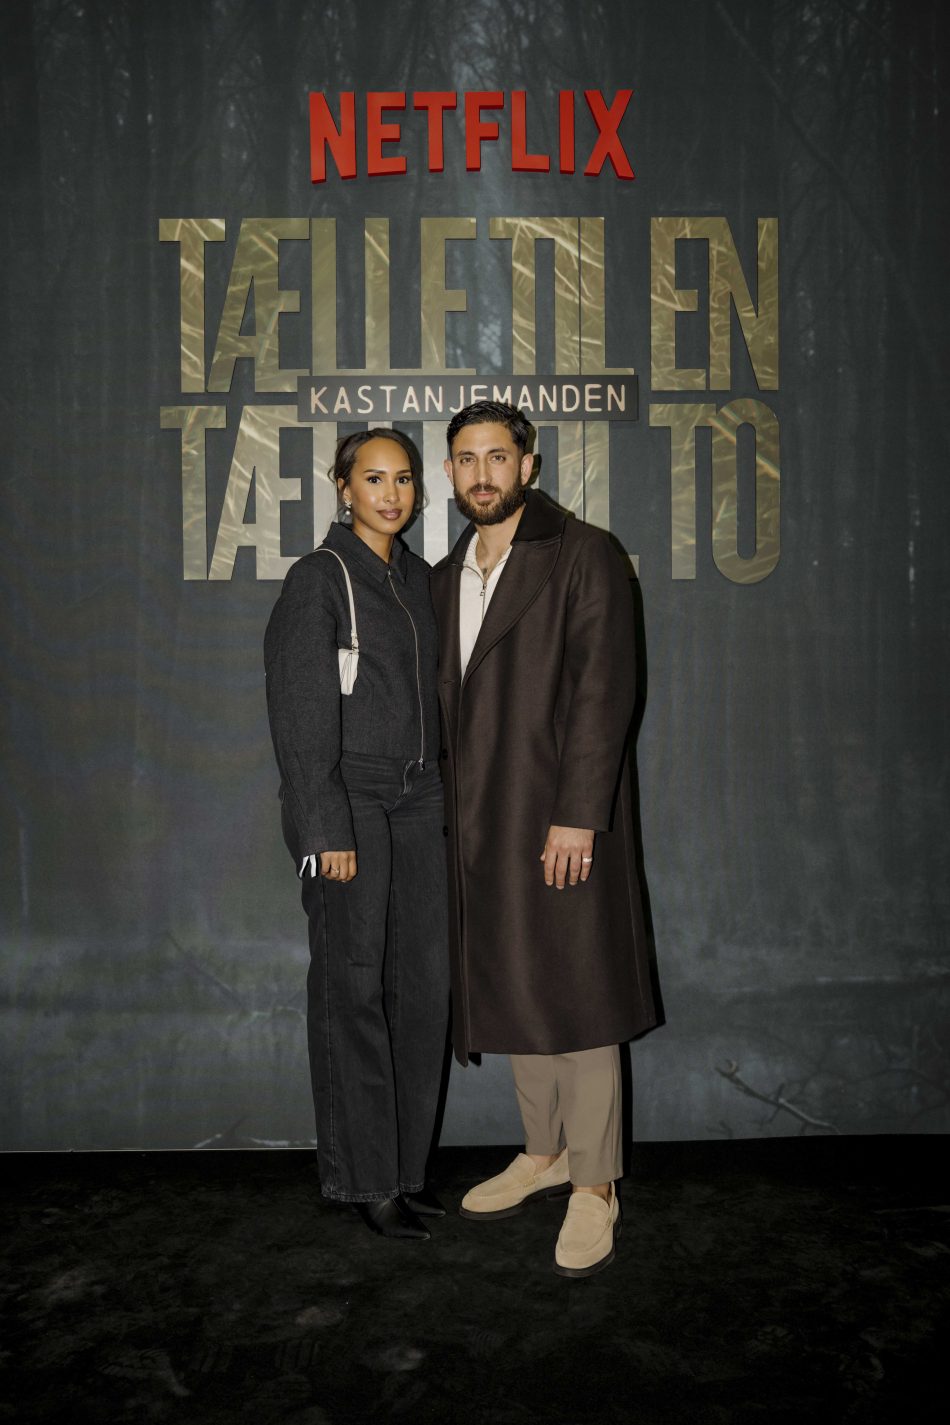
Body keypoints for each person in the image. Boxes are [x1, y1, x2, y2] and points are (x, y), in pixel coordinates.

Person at [431, 400, 658, 1278]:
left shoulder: (583, 553)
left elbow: (605, 690)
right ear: (449, 472)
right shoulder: (446, 574)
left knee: (578, 993)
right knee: (517, 981)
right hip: (481, 823)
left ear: (528, 465)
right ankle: (545, 1151)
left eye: (498, 456)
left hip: (560, 816)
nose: (481, 473)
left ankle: (595, 1183)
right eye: (466, 458)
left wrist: (579, 812)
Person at [264, 428, 449, 1240]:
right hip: (352, 795)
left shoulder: (419, 579)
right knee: (354, 986)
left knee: (425, 989)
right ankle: (364, 1179)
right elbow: (300, 713)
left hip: (422, 796)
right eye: (373, 478)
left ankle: (405, 1170)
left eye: (403, 478)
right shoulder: (319, 578)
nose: (391, 493)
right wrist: (324, 823)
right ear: (343, 486)